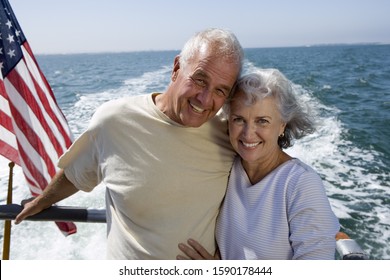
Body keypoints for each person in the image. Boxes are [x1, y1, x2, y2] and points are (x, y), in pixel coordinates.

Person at [14, 28, 244, 259]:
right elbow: (76, 173)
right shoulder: (114, 120)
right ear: (176, 68)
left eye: (220, 90)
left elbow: (262, 199)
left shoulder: (231, 133)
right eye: (199, 79)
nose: (204, 99)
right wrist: (41, 201)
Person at [177, 69, 340, 260]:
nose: (248, 134)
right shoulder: (226, 165)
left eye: (262, 121)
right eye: (239, 120)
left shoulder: (301, 184)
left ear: (282, 126)